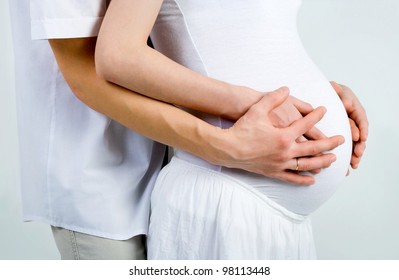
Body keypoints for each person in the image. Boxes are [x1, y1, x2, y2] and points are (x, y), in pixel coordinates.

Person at [8, 0, 367, 260]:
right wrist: (228, 139)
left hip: (193, 161)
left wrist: (315, 97)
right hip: (104, 178)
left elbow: (217, 36)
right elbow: (89, 69)